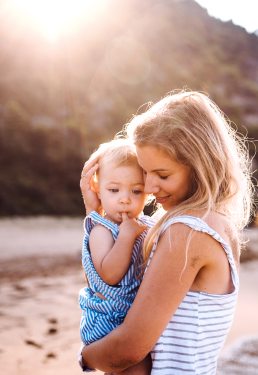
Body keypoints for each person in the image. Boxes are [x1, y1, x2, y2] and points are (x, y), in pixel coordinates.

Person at [78, 91, 254, 374]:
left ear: (198, 166)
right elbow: (107, 282)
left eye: (162, 174)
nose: (148, 187)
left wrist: (87, 357)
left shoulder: (186, 232)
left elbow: (128, 349)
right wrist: (96, 214)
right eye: (145, 172)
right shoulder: (215, 223)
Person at [78, 139, 156, 374]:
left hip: (128, 315)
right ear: (97, 189)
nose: (125, 198)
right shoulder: (101, 229)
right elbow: (109, 275)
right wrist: (126, 237)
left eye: (136, 190)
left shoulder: (143, 223)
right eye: (114, 190)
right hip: (109, 319)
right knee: (138, 366)